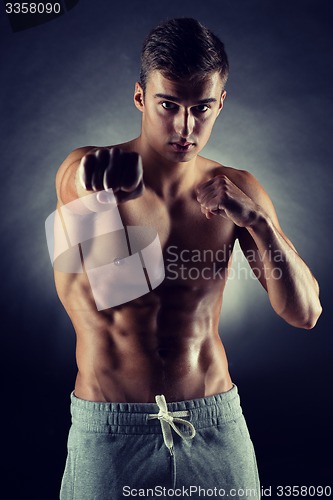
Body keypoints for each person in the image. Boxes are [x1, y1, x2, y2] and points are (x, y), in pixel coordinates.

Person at [53, 18, 322, 500]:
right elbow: (115, 290)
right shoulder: (89, 170)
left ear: (221, 103)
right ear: (141, 98)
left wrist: (257, 221)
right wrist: (98, 195)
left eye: (201, 108)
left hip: (213, 421)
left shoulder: (239, 188)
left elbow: (304, 314)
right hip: (114, 432)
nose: (184, 127)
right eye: (168, 105)